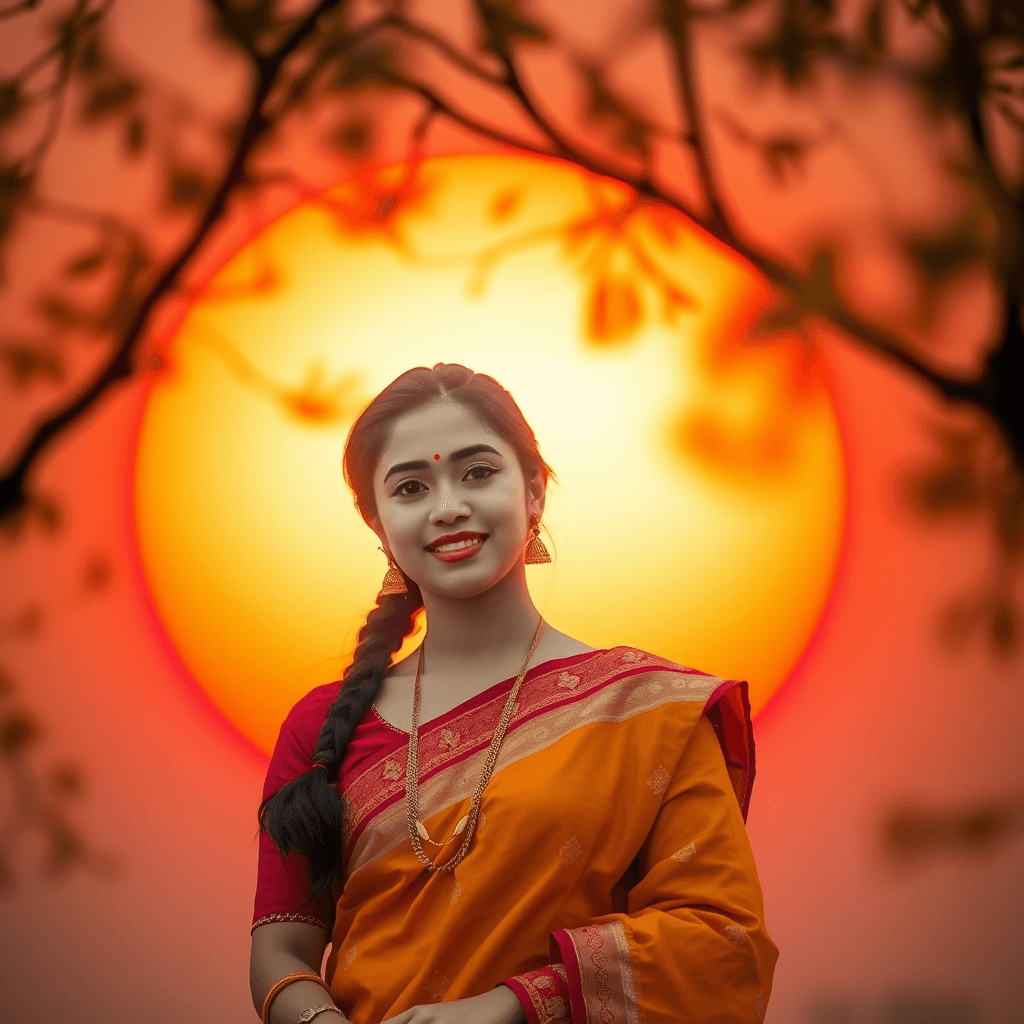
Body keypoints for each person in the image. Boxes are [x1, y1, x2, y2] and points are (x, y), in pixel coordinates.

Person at [249, 363, 779, 1024]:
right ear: (376, 522)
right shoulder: (323, 725)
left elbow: (719, 942)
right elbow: (282, 946)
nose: (449, 506)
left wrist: (516, 1007)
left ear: (533, 491)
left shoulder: (649, 711)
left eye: (477, 473)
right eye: (412, 486)